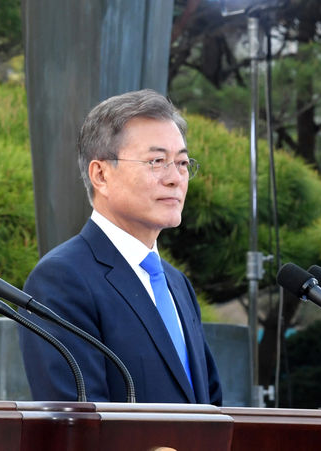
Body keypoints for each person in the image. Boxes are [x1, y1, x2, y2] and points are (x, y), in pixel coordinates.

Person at [18, 89, 222, 405]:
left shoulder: (176, 283)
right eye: (157, 161)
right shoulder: (62, 280)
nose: (175, 178)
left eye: (182, 162)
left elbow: (209, 405)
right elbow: (80, 420)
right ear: (100, 175)